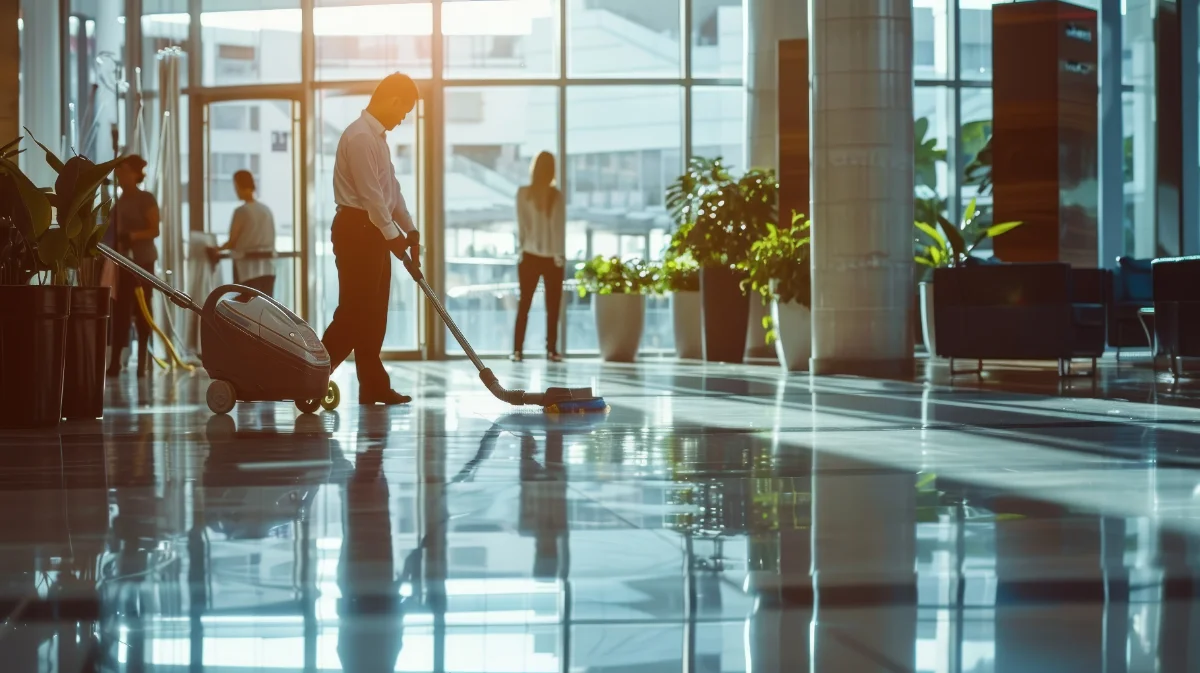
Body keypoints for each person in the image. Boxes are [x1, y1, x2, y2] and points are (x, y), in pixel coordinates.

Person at [321, 73, 422, 406]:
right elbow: (371, 198)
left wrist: (409, 229)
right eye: (403, 110)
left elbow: (391, 191)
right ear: (392, 101)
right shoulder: (360, 138)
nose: (402, 118)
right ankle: (313, 372)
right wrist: (393, 235)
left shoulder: (378, 139)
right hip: (357, 230)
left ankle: (373, 386)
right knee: (355, 311)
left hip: (374, 230)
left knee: (374, 313)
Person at [107, 155, 160, 378]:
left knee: (142, 309)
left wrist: (133, 236)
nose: (119, 175)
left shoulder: (145, 199)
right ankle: (115, 362)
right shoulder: (118, 202)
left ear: (135, 174)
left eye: (124, 171)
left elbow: (154, 229)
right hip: (123, 262)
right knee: (120, 311)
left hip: (142, 262)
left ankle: (142, 363)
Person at [511, 151, 566, 363]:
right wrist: (559, 256)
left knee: (524, 304)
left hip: (529, 256)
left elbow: (521, 226)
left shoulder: (523, 193)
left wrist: (523, 249)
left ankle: (517, 350)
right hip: (553, 259)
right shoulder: (556, 196)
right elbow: (558, 230)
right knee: (553, 306)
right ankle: (551, 350)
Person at [218, 170, 277, 296]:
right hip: (268, 268)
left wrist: (215, 249)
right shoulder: (266, 210)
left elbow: (232, 242)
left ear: (239, 186)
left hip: (247, 270)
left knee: (246, 308)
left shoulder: (241, 211)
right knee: (264, 308)